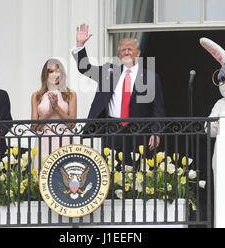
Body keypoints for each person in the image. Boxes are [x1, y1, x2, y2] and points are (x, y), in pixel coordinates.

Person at [71, 24, 165, 166]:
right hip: (112, 131)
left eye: (130, 49)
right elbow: (85, 68)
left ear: (138, 53)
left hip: (138, 132)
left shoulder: (150, 77)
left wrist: (156, 131)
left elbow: (157, 108)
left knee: (137, 175)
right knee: (111, 171)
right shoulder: (108, 72)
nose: (126, 52)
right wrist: (80, 45)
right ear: (119, 54)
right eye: (123, 50)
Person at [31, 58, 77, 168]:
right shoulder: (36, 95)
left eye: (58, 71)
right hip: (44, 140)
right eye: (51, 71)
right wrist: (49, 112)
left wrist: (57, 107)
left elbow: (72, 124)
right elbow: (34, 127)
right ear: (45, 75)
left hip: (64, 140)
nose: (55, 74)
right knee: (42, 175)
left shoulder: (70, 93)